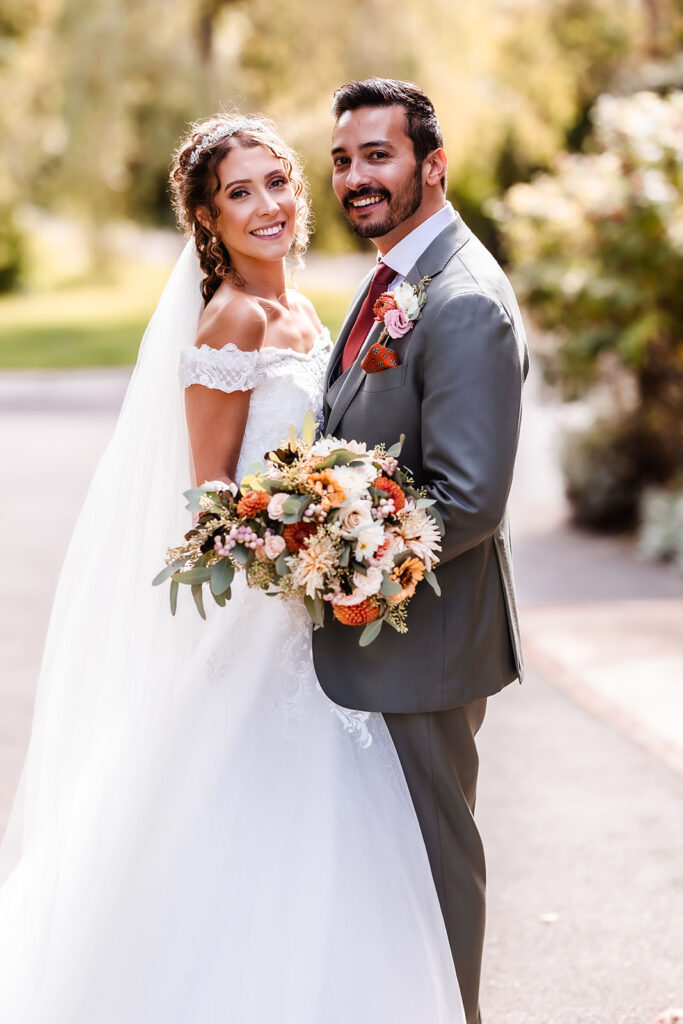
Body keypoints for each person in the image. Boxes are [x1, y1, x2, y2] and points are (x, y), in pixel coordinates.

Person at [0, 112, 466, 1022]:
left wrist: (348, 520)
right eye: (238, 194)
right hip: (266, 620)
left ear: (300, 189)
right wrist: (298, 544)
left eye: (277, 183)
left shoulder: (304, 308)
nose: (266, 207)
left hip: (319, 619)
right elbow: (210, 499)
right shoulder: (233, 318)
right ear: (206, 222)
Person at [313, 78, 529, 1024]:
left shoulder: (464, 299)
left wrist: (341, 558)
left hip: (425, 642)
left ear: (432, 166)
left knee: (435, 862)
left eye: (379, 156)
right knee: (382, 865)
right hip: (381, 644)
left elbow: (469, 498)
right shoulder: (404, 276)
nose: (356, 177)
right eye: (343, 159)